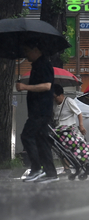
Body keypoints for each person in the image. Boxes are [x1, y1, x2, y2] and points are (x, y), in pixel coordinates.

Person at [17, 41, 59, 183]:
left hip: (40, 110)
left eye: (27, 50)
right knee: (42, 141)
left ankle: (36, 168)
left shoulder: (43, 64)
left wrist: (25, 87)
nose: (26, 54)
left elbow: (47, 86)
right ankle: (51, 173)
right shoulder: (37, 65)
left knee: (27, 136)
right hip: (39, 110)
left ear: (36, 50)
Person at [52, 84, 87, 172]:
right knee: (62, 149)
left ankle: (81, 163)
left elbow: (79, 113)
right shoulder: (54, 104)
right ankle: (66, 167)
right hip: (59, 130)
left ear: (61, 95)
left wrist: (81, 126)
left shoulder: (69, 101)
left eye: (56, 97)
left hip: (69, 129)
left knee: (71, 148)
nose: (55, 99)